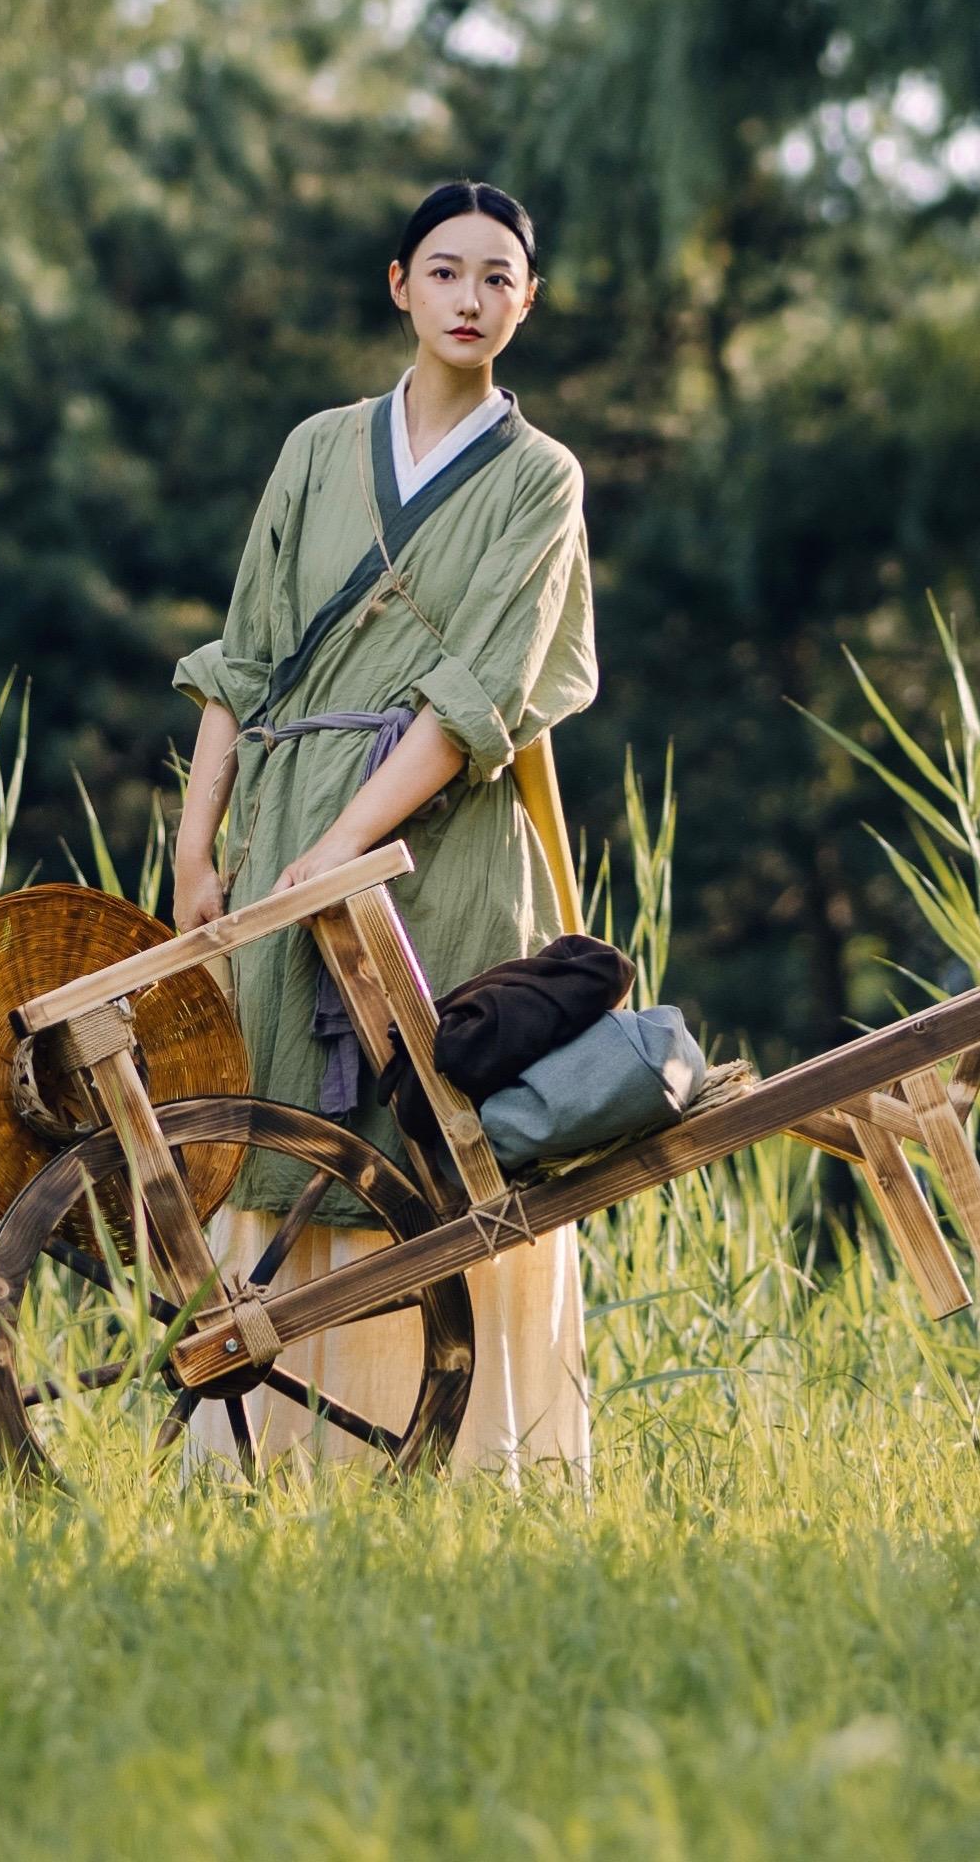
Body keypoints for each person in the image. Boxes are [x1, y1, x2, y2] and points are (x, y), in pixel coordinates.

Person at [172, 177, 596, 1478]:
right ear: (399, 285)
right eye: (447, 271)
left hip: (442, 839)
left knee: (438, 1131)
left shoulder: (540, 479)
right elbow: (243, 658)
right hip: (290, 816)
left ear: (526, 305)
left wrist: (352, 839)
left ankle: (468, 1465)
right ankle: (269, 1462)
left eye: (499, 278)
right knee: (283, 1126)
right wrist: (200, 848)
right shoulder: (316, 449)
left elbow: (482, 693)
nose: (471, 298)